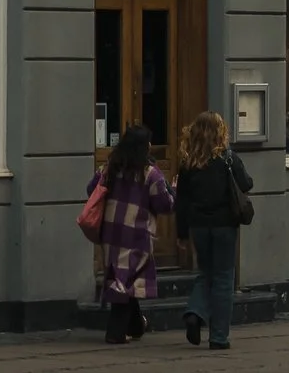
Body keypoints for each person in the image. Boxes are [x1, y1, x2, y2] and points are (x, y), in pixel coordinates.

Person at [171, 109, 253, 352]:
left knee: (205, 273)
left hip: (198, 226)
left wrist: (182, 233)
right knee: (224, 278)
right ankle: (218, 336)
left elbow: (181, 201)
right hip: (225, 225)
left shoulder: (188, 163)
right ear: (220, 132)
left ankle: (195, 313)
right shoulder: (228, 158)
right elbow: (247, 183)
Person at [90, 124, 171, 342]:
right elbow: (163, 204)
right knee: (124, 280)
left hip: (110, 231)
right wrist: (174, 193)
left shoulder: (111, 167)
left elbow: (91, 189)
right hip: (137, 233)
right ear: (145, 147)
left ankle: (135, 326)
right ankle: (114, 333)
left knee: (124, 276)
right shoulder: (150, 173)